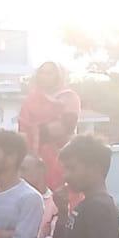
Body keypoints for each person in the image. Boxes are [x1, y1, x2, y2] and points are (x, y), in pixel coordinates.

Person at [18, 61, 81, 190]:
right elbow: (23, 128)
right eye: (41, 72)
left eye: (49, 73)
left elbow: (67, 126)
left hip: (62, 153)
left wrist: (37, 131)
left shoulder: (69, 97)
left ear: (58, 75)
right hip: (33, 155)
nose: (44, 76)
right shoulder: (31, 99)